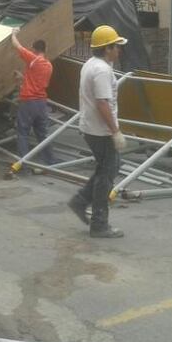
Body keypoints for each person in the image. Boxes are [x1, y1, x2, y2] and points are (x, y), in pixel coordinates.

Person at [67, 25, 128, 239]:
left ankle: (81, 200)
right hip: (101, 130)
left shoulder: (90, 64)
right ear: (107, 48)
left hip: (91, 127)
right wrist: (115, 131)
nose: (118, 50)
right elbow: (103, 103)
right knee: (107, 175)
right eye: (116, 46)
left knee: (107, 168)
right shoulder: (102, 70)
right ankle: (99, 224)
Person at [9, 30, 56, 175]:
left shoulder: (34, 59)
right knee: (42, 134)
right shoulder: (48, 65)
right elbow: (36, 81)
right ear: (45, 49)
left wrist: (13, 34)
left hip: (28, 102)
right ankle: (50, 163)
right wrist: (23, 78)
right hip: (41, 103)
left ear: (34, 50)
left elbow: (17, 46)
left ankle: (24, 163)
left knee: (23, 133)